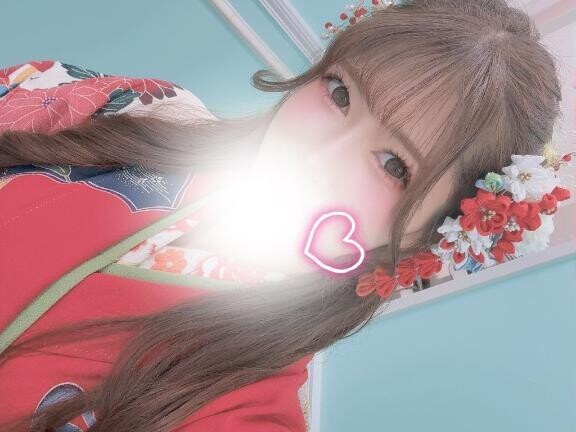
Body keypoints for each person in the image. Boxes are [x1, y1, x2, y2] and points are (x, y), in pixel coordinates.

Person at [0, 0, 569, 430]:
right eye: (339, 94)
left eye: (394, 165)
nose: (315, 155)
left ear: (432, 235)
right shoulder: (135, 106)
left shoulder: (250, 407)